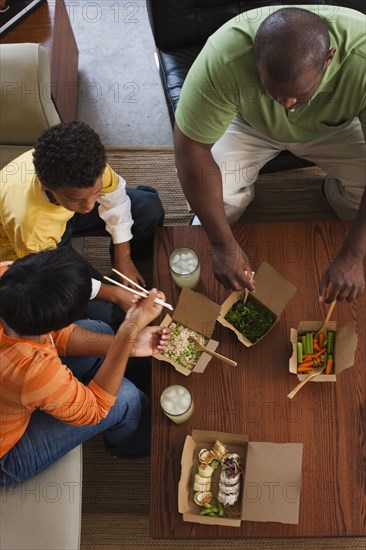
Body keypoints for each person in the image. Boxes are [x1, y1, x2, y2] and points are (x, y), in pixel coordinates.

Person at [174, 5, 366, 303]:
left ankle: (337, 195)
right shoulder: (224, 54)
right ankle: (239, 199)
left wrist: (354, 254)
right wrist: (222, 245)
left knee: (360, 203)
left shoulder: (363, 56)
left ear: (329, 59)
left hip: (333, 127)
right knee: (213, 201)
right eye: (273, 90)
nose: (287, 104)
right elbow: (191, 149)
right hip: (250, 123)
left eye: (298, 93)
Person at [0, 248, 168, 486]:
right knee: (126, 397)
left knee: (100, 332)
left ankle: (81, 385)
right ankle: (128, 446)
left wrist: (127, 346)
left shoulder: (7, 275)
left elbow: (57, 335)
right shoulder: (31, 368)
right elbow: (96, 410)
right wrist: (128, 330)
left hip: (14, 389)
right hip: (5, 454)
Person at [0, 121, 165, 330]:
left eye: (95, 192)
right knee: (112, 314)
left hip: (61, 217)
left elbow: (114, 197)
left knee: (148, 208)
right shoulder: (29, 223)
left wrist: (123, 257)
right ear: (46, 185)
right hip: (36, 252)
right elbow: (51, 276)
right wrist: (114, 294)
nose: (89, 206)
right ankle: (118, 288)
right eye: (76, 199)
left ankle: (130, 269)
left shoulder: (87, 164)